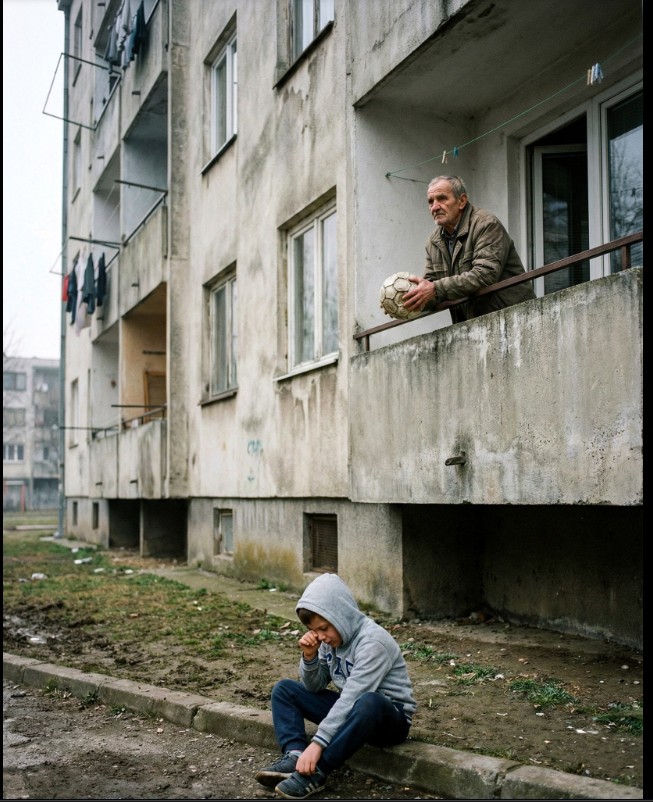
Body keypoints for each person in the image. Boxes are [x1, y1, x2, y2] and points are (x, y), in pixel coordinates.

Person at [254, 573, 416, 799]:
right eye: (316, 631)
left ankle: (317, 772)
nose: (322, 636)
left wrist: (318, 744)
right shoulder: (330, 640)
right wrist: (309, 657)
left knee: (369, 701)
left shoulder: (373, 643)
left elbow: (353, 697)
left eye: (324, 628)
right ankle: (295, 755)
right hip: (352, 713)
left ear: (342, 615)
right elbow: (314, 687)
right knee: (285, 689)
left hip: (387, 719)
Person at [401, 175, 536, 323]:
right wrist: (406, 300)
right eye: (430, 202)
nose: (435, 207)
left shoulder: (486, 224)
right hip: (471, 328)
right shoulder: (433, 243)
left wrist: (435, 288)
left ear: (462, 201)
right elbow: (431, 291)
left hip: (515, 319)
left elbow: (485, 275)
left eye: (442, 198)